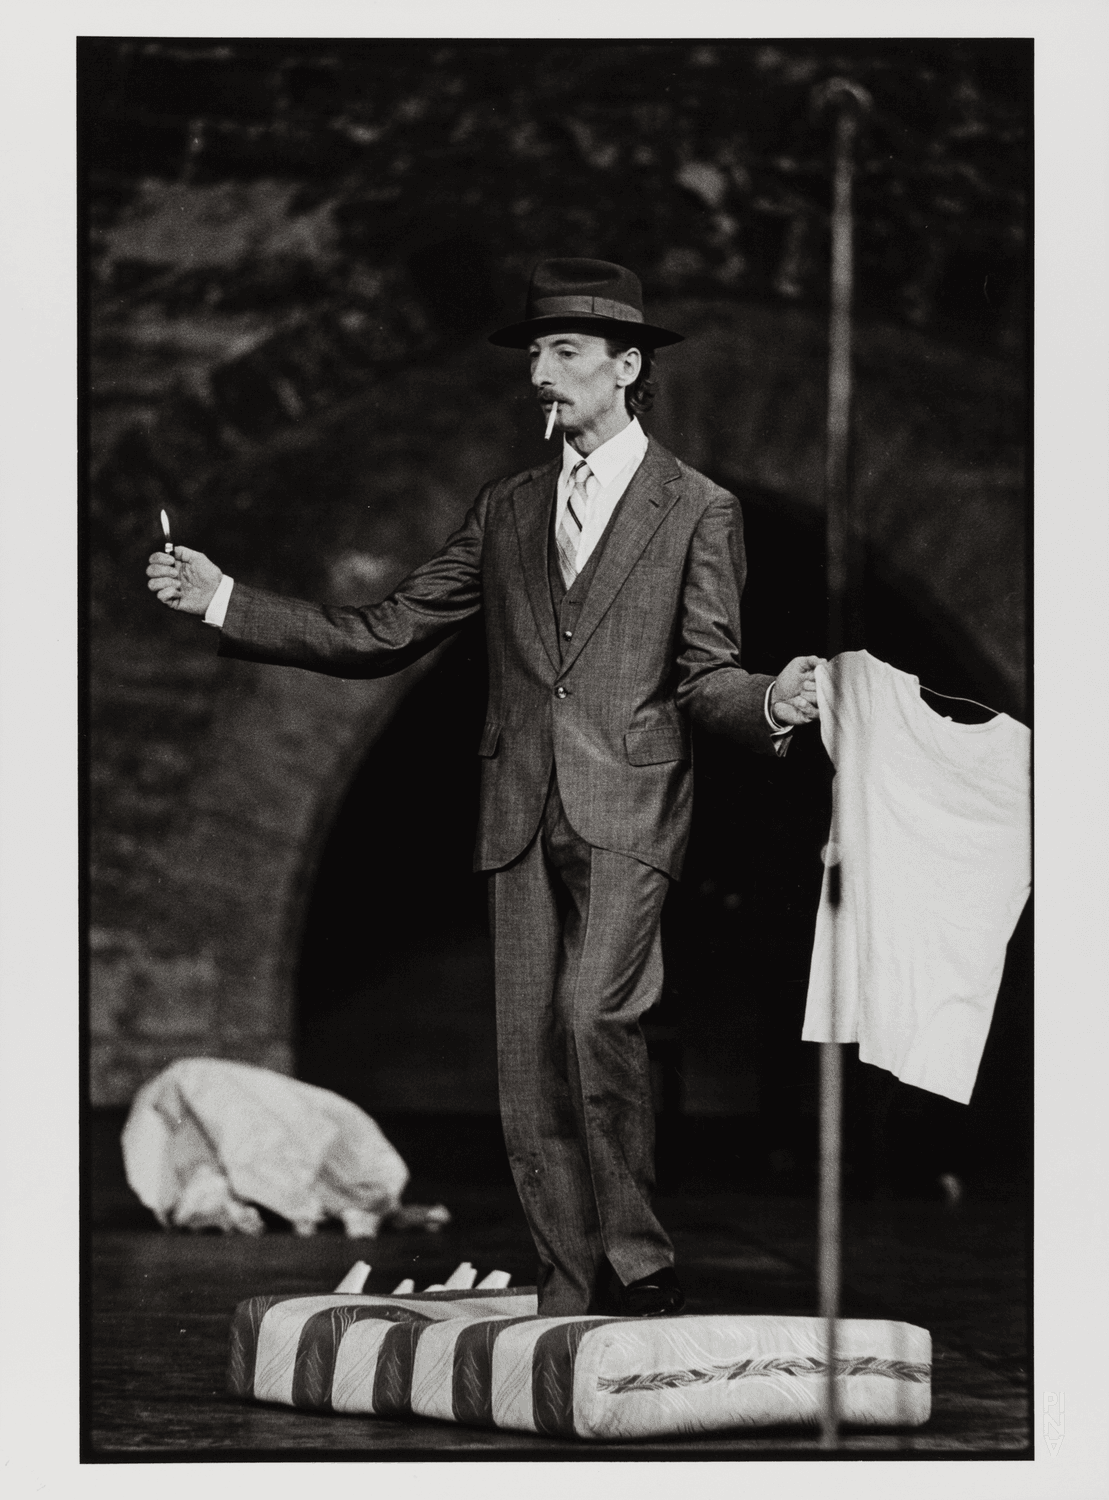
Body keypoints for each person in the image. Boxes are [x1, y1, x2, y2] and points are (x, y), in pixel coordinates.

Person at [147, 258, 822, 1317]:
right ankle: (566, 1281)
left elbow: (705, 675)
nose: (539, 373)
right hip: (516, 811)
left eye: (564, 352)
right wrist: (225, 599)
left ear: (625, 366)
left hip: (629, 808)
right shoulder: (507, 508)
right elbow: (385, 630)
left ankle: (637, 1263)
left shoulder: (698, 508)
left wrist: (772, 699)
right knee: (525, 1055)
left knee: (594, 1016)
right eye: (535, 353)